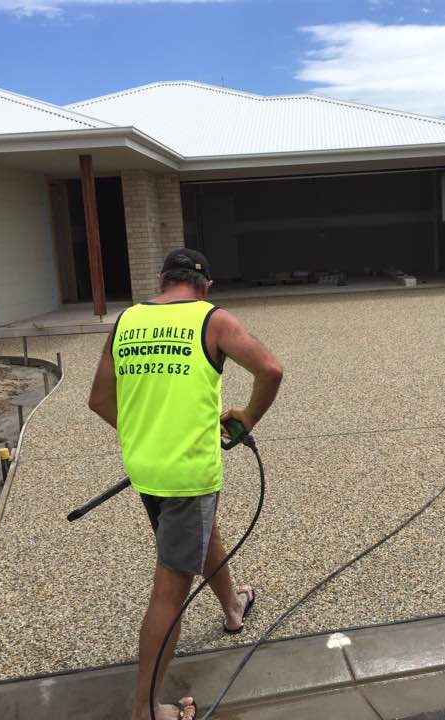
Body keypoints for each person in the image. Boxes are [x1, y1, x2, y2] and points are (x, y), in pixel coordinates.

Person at [88, 249, 283, 720]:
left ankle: (233, 606)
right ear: (207, 286)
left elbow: (98, 400)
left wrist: (146, 437)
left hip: (146, 470)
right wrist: (248, 418)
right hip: (187, 477)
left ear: (160, 279)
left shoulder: (127, 321)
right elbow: (270, 370)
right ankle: (144, 709)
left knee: (204, 533)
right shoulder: (211, 321)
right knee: (169, 591)